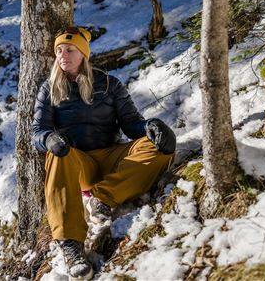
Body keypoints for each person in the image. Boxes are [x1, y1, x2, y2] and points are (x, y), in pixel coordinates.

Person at [32, 26, 176, 280]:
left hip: (113, 156)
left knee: (159, 147)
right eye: (59, 51)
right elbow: (37, 132)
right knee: (56, 154)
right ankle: (70, 244)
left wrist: (151, 126)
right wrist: (49, 138)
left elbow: (132, 124)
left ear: (83, 53)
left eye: (70, 49)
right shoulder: (48, 89)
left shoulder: (109, 84)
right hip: (79, 162)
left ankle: (104, 198)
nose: (63, 55)